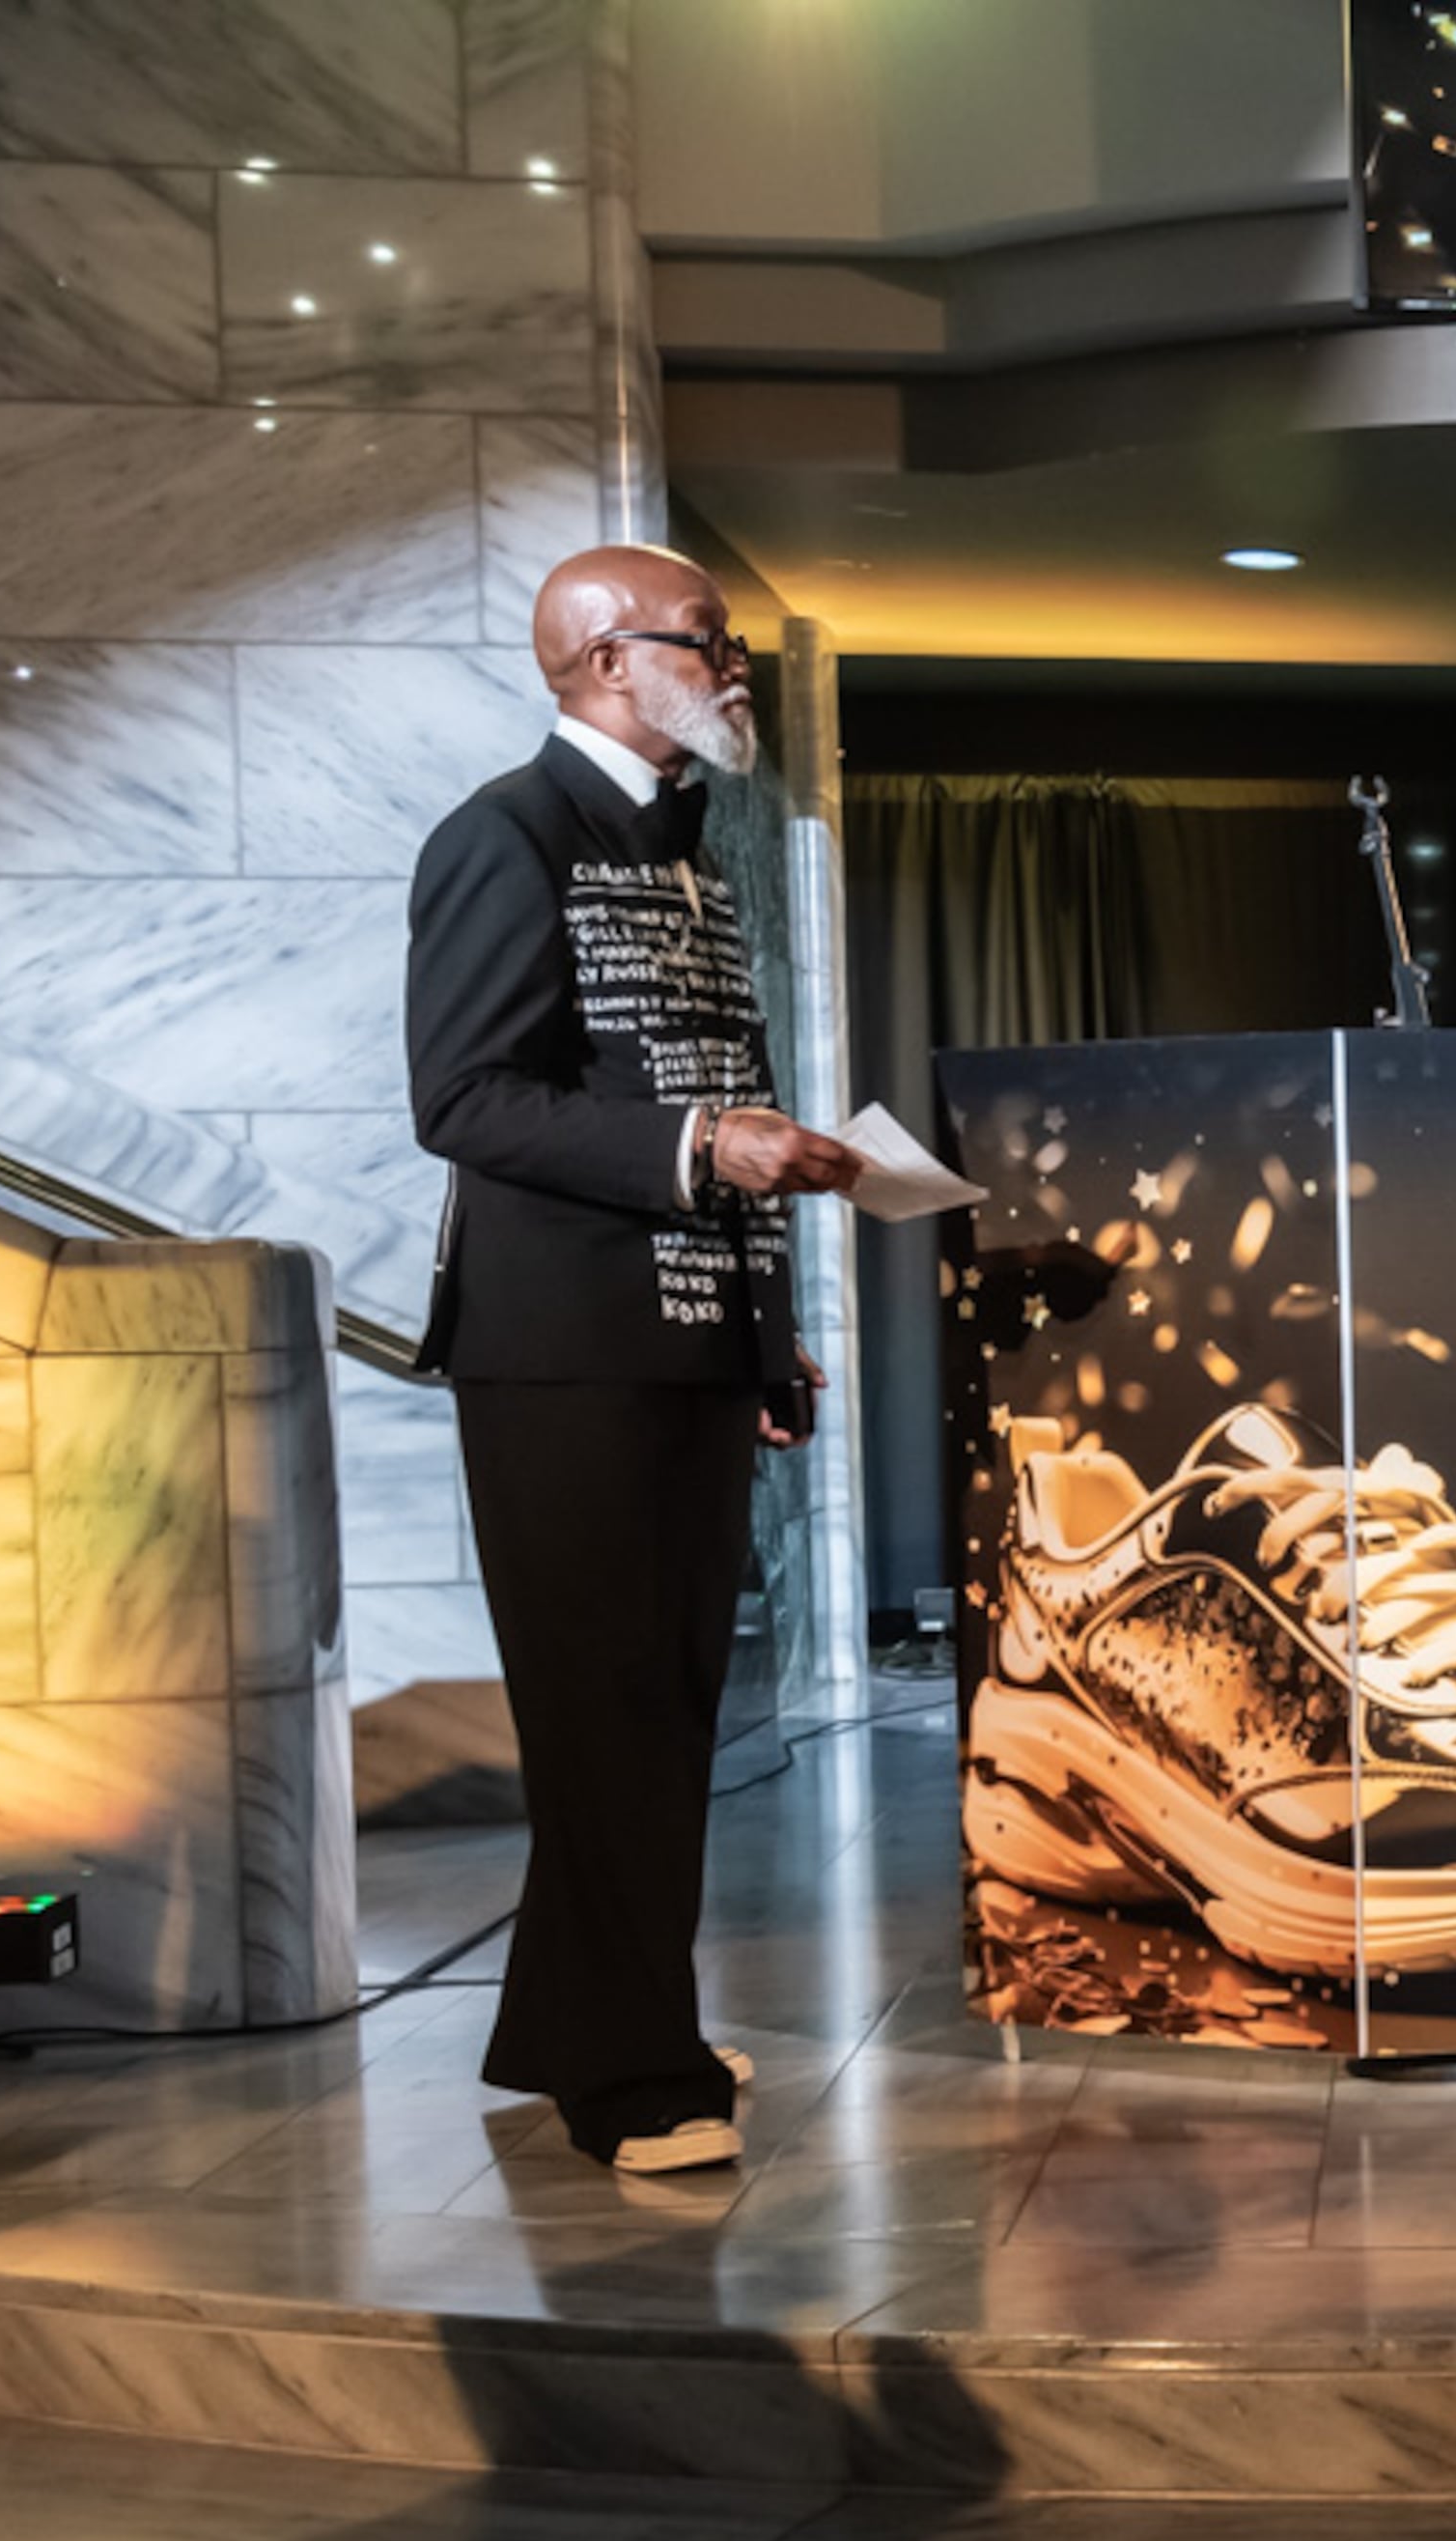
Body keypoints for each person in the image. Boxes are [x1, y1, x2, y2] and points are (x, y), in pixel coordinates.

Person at [404, 544, 862, 2174]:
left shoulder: (692, 852)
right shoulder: (505, 834)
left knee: (663, 1704)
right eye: (707, 643)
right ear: (605, 659)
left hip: (686, 1340)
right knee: (603, 1705)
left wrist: (766, 1327)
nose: (733, 669)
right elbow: (462, 1098)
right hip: (561, 1354)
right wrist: (706, 1143)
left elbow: (703, 1099)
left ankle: (584, 2022)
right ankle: (626, 2071)